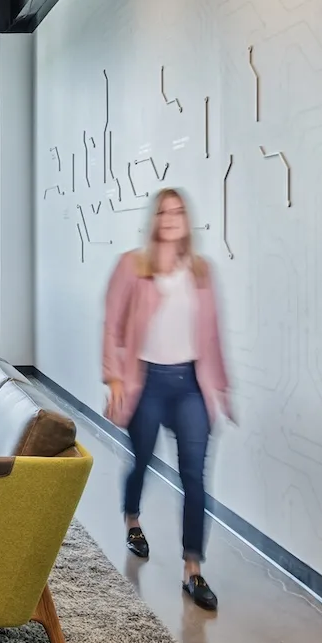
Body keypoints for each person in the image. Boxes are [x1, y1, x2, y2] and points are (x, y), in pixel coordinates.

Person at [103, 187, 230, 611]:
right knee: (141, 460)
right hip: (148, 381)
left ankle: (192, 569)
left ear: (186, 220)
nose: (172, 217)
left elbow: (212, 334)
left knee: (194, 477)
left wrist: (221, 385)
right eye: (164, 211)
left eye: (178, 211)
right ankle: (132, 519)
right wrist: (115, 379)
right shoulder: (132, 266)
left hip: (190, 384)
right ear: (155, 219)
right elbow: (113, 325)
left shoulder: (201, 272)